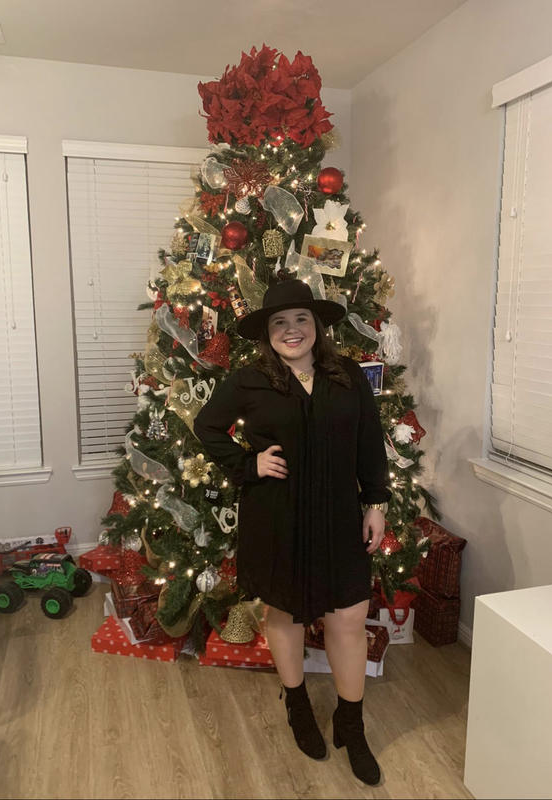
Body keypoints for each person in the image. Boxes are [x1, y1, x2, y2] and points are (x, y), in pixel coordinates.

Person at [193, 279, 391, 786]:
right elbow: (207, 427)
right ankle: (298, 705)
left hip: (339, 514)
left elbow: (369, 440)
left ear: (316, 324)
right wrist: (249, 463)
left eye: (301, 319)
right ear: (268, 333)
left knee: (349, 616)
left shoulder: (347, 375)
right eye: (279, 322)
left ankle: (351, 723)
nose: (292, 330)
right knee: (284, 611)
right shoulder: (248, 381)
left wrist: (376, 502)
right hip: (276, 515)